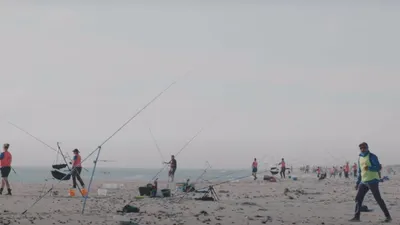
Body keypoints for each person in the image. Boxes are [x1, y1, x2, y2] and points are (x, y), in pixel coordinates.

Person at [349, 142, 391, 222]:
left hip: (373, 181)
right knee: (358, 198)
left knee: (378, 199)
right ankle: (356, 217)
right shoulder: (360, 158)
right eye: (361, 148)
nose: (363, 149)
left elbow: (378, 167)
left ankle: (388, 216)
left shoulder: (372, 156)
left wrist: (369, 168)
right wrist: (357, 183)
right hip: (363, 181)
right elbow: (360, 171)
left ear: (367, 148)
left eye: (364, 148)